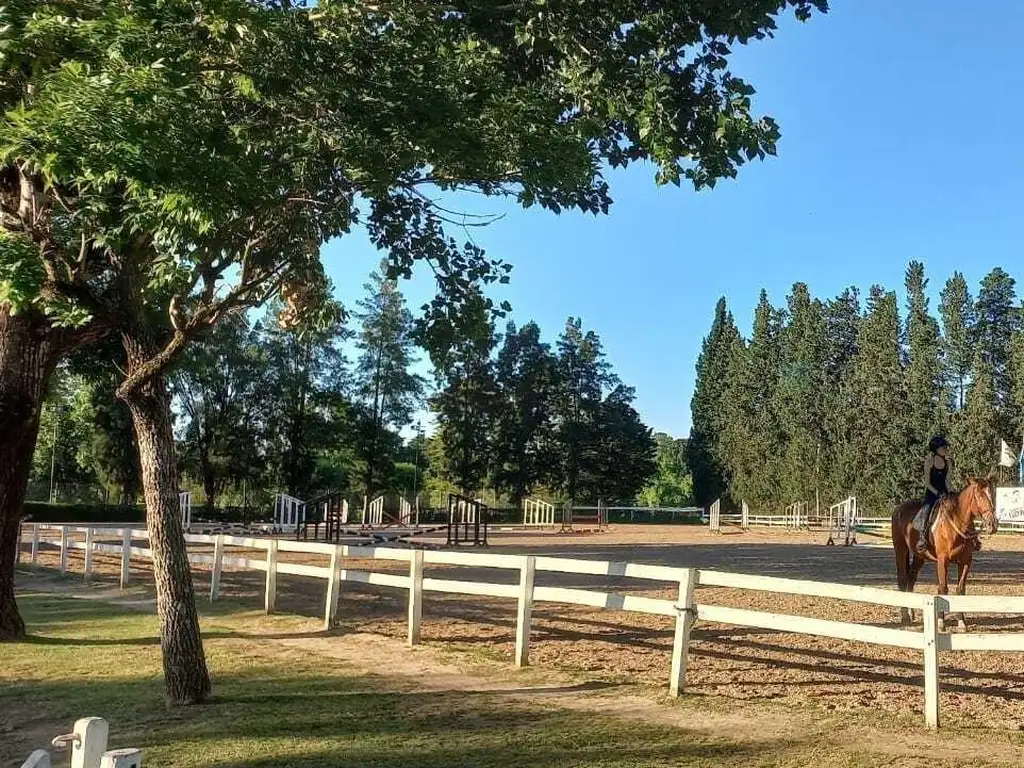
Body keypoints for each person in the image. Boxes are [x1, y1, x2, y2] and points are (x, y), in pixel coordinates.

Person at [913, 435, 951, 554]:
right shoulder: (929, 462)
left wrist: (951, 493)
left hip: (945, 493)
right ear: (936, 449)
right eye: (943, 448)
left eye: (946, 447)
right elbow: (927, 483)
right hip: (932, 494)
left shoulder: (948, 462)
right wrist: (937, 493)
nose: (946, 449)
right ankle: (922, 537)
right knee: (927, 510)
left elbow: (947, 480)